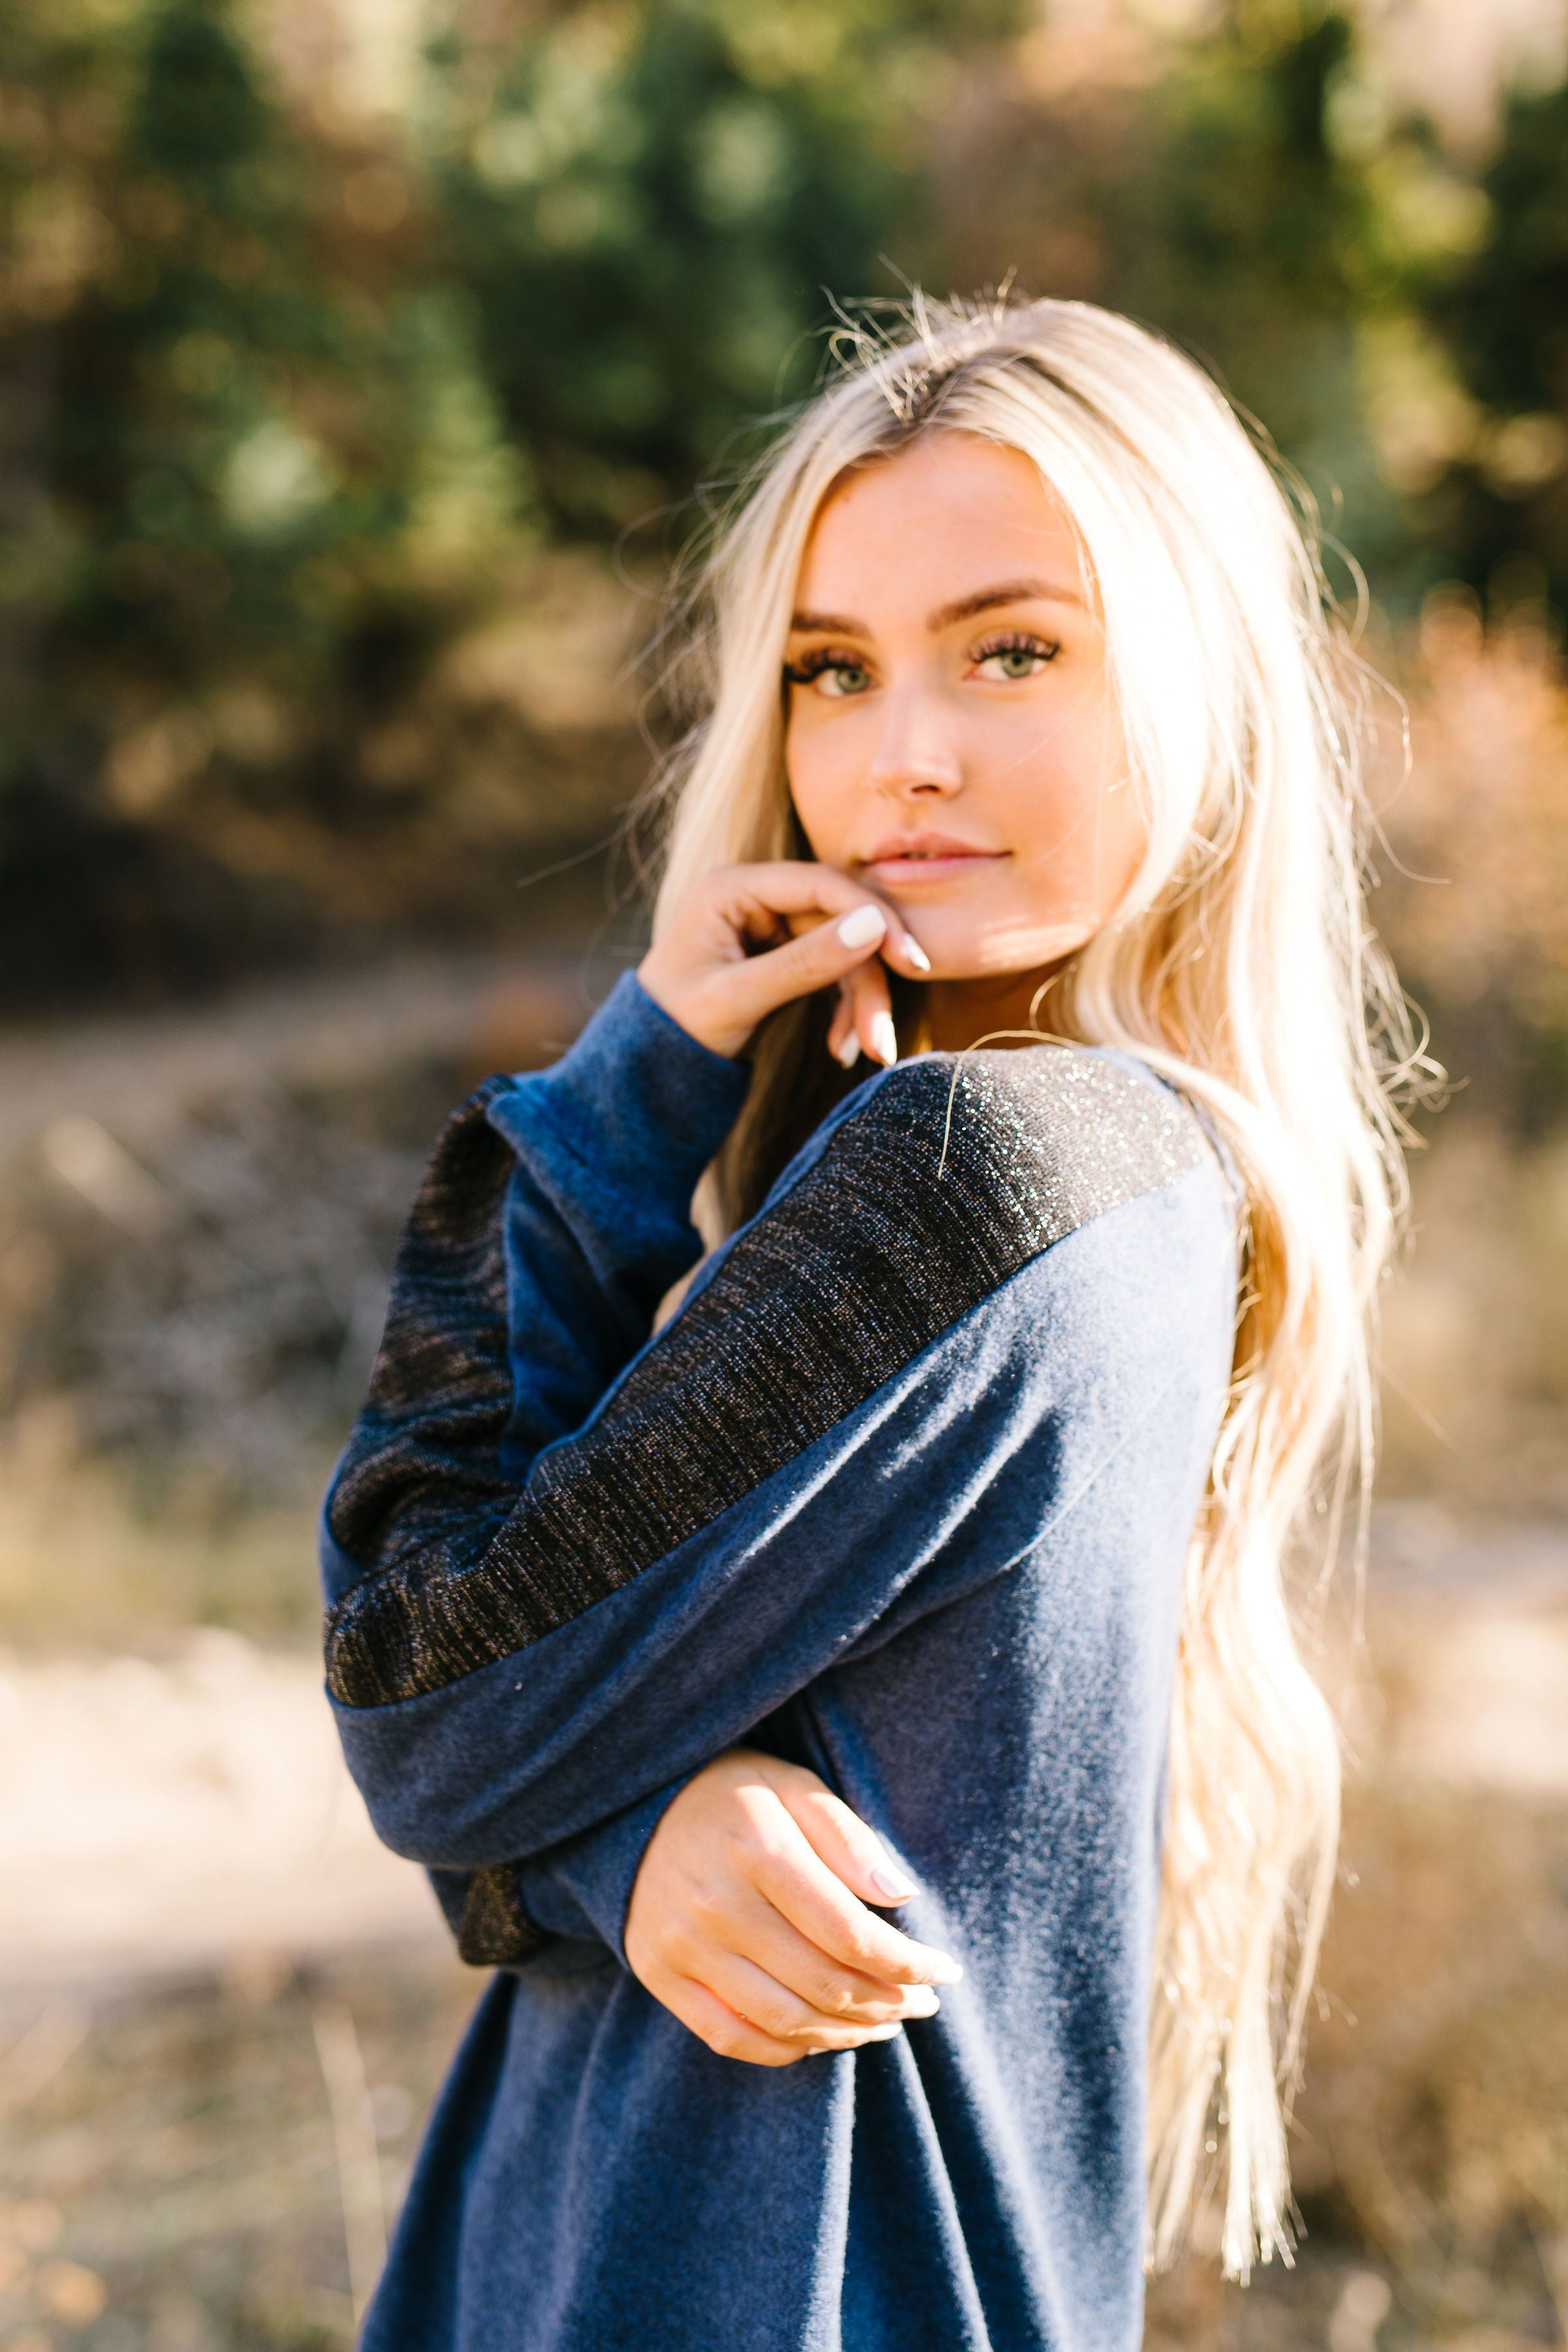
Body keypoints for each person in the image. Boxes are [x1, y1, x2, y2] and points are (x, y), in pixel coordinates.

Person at [319, 292, 1420, 2352]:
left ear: (1197, 684)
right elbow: (524, 1735)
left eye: (1015, 650)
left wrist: (620, 1093)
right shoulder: (1156, 1181)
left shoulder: (981, 1176)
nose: (902, 756)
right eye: (833, 671)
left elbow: (420, 1682)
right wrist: (622, 1844)